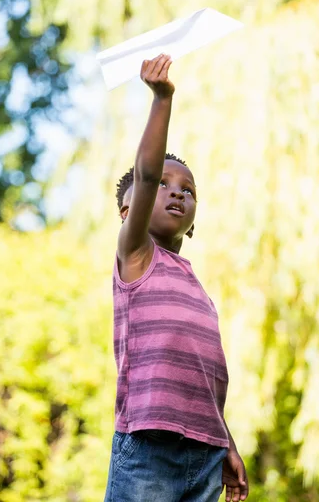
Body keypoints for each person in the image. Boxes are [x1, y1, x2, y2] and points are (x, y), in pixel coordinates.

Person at [104, 54, 249, 502]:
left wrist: (226, 442)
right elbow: (145, 173)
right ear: (131, 211)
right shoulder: (136, 257)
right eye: (164, 185)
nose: (178, 193)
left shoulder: (198, 289)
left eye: (188, 190)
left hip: (204, 452)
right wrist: (162, 99)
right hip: (148, 447)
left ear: (193, 220)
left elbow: (204, 376)